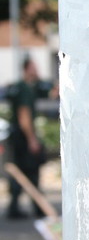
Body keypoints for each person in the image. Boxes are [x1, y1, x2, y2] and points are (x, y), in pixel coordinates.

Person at [6, 58, 52, 219]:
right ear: (26, 69)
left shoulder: (22, 87)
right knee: (30, 171)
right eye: (34, 68)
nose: (37, 70)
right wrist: (32, 139)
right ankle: (36, 207)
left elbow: (50, 93)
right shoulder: (25, 89)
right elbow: (24, 116)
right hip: (23, 136)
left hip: (18, 136)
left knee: (21, 170)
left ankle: (16, 207)